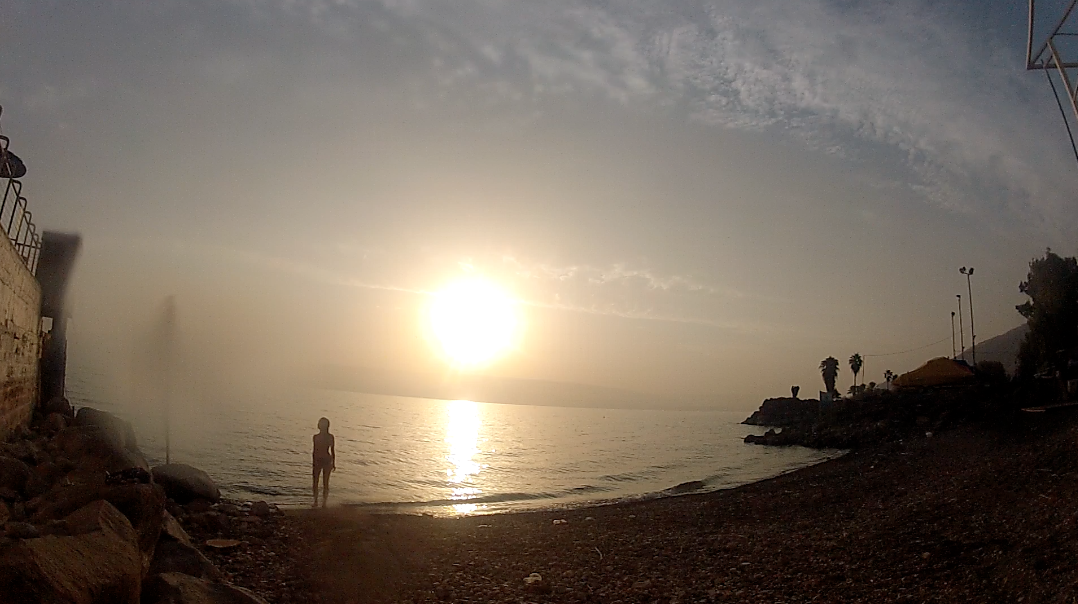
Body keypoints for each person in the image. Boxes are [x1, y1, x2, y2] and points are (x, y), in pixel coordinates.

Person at [312, 417, 335, 507]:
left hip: (320, 459)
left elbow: (315, 451)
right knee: (325, 482)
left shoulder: (316, 437)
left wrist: (314, 461)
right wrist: (333, 462)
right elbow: (332, 451)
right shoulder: (330, 437)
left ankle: (317, 501)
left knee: (317, 482)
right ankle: (322, 502)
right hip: (326, 459)